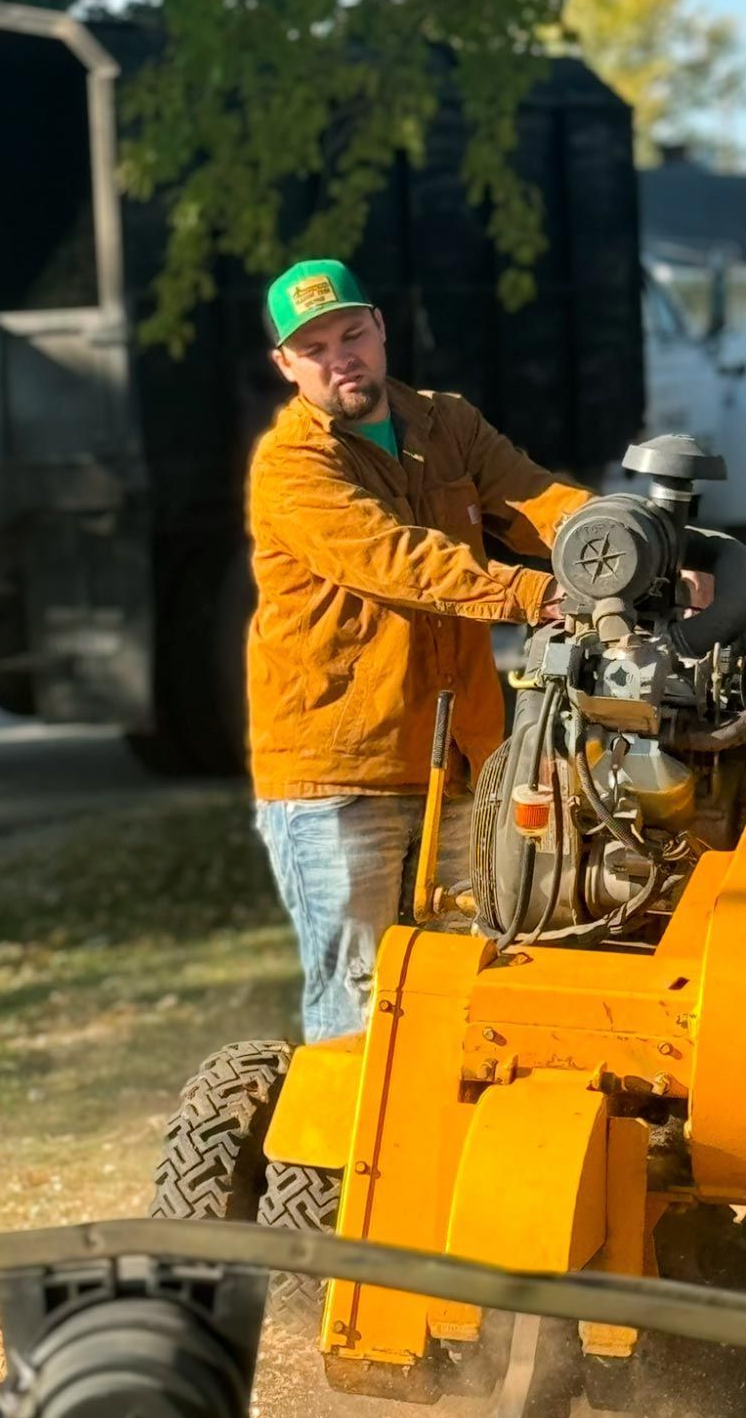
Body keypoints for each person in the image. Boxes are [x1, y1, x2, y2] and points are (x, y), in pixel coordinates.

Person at [246, 258, 596, 1042]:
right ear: (287, 366)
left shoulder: (446, 423)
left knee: (470, 988)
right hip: (341, 776)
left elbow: (535, 498)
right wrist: (536, 594)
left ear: (379, 326)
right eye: (316, 347)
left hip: (465, 762)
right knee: (360, 1005)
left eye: (352, 332)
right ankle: (336, 1167)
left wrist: (630, 542)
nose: (342, 356)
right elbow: (397, 560)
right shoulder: (292, 466)